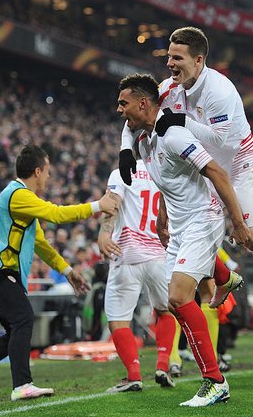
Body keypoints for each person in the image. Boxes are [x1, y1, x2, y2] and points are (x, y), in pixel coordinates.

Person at [118, 26, 253, 303]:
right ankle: (225, 278)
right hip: (205, 164)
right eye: (169, 57)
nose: (169, 64)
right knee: (196, 227)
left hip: (240, 163)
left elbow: (223, 142)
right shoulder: (167, 88)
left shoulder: (220, 92)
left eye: (177, 58)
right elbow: (136, 112)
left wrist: (182, 121)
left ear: (198, 60)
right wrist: (125, 149)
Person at [117, 73, 250, 407]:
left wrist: (238, 222)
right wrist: (163, 216)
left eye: (124, 103)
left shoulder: (174, 135)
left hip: (203, 220)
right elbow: (169, 179)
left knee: (178, 296)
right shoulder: (145, 138)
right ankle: (224, 277)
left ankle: (215, 380)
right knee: (174, 304)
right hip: (179, 226)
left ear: (143, 103)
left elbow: (216, 172)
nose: (120, 110)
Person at [0, 144, 118, 400]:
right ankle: (22, 386)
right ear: (38, 171)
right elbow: (57, 214)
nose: (49, 177)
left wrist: (67, 270)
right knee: (24, 319)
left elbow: (40, 243)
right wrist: (97, 206)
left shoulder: (20, 200)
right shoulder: (19, 195)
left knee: (14, 333)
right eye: (48, 172)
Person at [97, 159, 177, 392]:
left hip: (127, 253)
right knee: (165, 311)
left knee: (118, 319)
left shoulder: (121, 173)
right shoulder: (163, 172)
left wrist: (104, 233)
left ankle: (134, 375)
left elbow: (112, 202)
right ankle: (163, 366)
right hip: (160, 256)